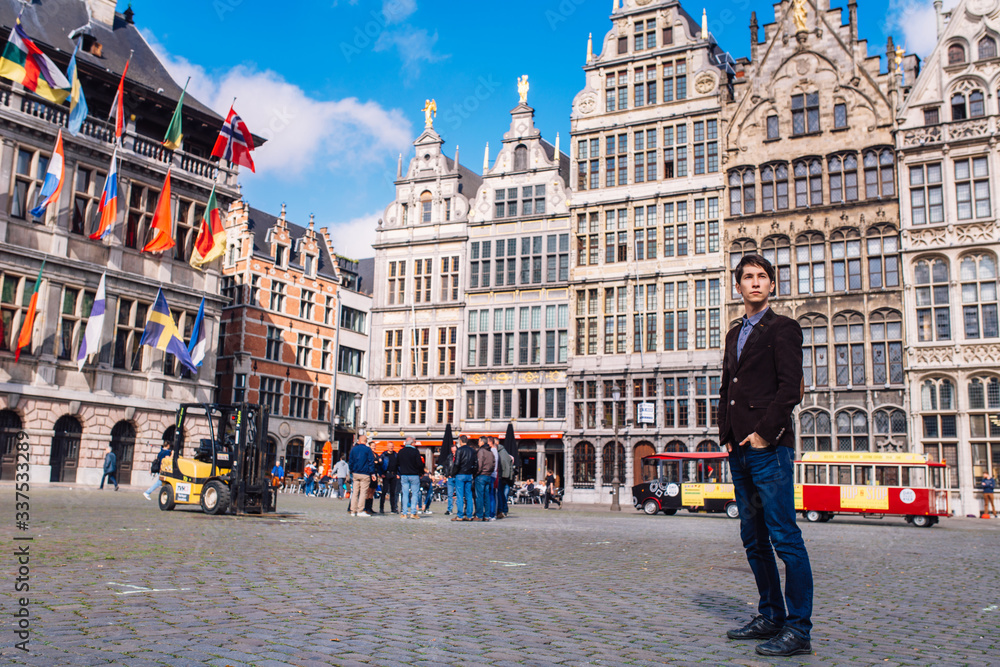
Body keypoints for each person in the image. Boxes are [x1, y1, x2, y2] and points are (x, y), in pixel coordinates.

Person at [719, 253, 812, 657]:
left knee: (784, 537)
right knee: (753, 539)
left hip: (768, 449)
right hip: (738, 451)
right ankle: (771, 614)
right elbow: (729, 386)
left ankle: (799, 629)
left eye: (762, 277)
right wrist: (726, 434)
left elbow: (791, 388)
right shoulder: (734, 331)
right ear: (738, 287)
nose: (755, 283)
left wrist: (762, 435)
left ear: (771, 285)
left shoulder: (783, 328)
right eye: (748, 278)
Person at [347, 435, 376, 517]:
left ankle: (353, 510)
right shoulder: (368, 450)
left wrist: (352, 470)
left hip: (355, 473)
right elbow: (371, 462)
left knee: (355, 492)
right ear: (366, 441)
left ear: (359, 441)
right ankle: (360, 510)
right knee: (363, 492)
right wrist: (372, 473)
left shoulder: (354, 449)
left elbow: (350, 461)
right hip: (365, 473)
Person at [397, 437, 424, 519]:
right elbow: (419, 464)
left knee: (405, 494)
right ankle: (413, 513)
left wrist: (399, 472)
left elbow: (397, 463)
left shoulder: (401, 451)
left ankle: (404, 513)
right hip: (414, 475)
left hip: (404, 475)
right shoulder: (415, 451)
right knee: (415, 494)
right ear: (412, 443)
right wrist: (421, 472)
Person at [452, 435, 477, 521]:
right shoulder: (472, 451)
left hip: (460, 474)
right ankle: (469, 515)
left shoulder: (459, 450)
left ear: (460, 441)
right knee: (469, 495)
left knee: (459, 495)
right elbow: (475, 463)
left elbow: (457, 463)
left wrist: (454, 472)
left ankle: (460, 515)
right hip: (469, 474)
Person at [474, 437, 495, 521]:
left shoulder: (481, 451)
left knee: (479, 496)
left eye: (479, 441)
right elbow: (493, 464)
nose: (478, 443)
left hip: (481, 475)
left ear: (482, 442)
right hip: (488, 475)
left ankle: (479, 515)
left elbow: (480, 463)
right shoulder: (490, 452)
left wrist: (477, 473)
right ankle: (486, 515)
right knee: (487, 496)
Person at [379, 443, 400, 514]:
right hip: (386, 474)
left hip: (393, 474)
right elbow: (380, 465)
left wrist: (398, 474)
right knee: (384, 492)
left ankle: (393, 508)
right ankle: (381, 508)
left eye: (392, 446)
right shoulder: (384, 455)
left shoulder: (396, 455)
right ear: (387, 447)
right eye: (390, 446)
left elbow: (398, 465)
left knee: (393, 492)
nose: (391, 447)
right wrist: (381, 473)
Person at [496, 441, 514, 518]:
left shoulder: (500, 454)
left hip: (502, 477)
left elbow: (502, 465)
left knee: (500, 494)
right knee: (504, 495)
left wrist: (502, 475)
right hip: (507, 478)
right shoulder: (505, 453)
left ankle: (501, 510)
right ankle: (504, 509)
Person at [442, 441, 458, 515]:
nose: (453, 453)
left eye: (454, 451)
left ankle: (459, 509)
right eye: (452, 451)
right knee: (450, 494)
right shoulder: (449, 457)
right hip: (450, 477)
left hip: (457, 477)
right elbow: (446, 466)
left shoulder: (459, 457)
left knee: (459, 494)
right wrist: (446, 474)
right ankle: (449, 509)